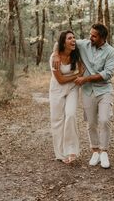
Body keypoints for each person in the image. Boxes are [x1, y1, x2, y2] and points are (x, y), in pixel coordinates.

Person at [53, 23, 114, 169]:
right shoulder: (84, 44)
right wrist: (56, 54)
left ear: (102, 37)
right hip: (88, 91)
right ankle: (95, 151)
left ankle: (104, 152)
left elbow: (108, 73)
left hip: (104, 90)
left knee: (105, 119)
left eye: (94, 35)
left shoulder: (110, 51)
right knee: (91, 122)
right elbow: (61, 41)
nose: (90, 37)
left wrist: (85, 79)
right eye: (90, 34)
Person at [49, 30, 84, 164]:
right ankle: (60, 153)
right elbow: (61, 80)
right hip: (57, 89)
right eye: (70, 38)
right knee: (57, 120)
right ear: (63, 42)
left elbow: (82, 70)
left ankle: (71, 150)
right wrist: (77, 75)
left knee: (70, 115)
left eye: (74, 37)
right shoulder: (54, 58)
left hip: (72, 88)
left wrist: (80, 74)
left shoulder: (77, 52)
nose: (73, 40)